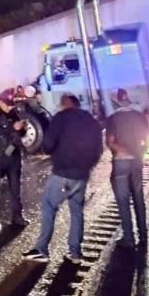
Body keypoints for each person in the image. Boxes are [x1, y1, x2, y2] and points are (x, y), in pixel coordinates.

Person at [24, 94, 103, 264]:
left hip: (62, 174)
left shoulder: (61, 118)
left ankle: (41, 249)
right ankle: (75, 252)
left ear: (65, 105)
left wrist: (53, 152)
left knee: (49, 207)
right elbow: (98, 150)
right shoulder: (91, 121)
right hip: (81, 175)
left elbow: (48, 145)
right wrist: (87, 166)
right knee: (77, 212)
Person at [106, 89, 149, 249]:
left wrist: (122, 151)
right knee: (138, 197)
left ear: (117, 101)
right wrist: (138, 153)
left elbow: (110, 142)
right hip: (137, 161)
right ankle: (144, 235)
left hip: (121, 162)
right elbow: (148, 140)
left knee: (123, 200)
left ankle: (129, 238)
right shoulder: (140, 117)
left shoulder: (113, 118)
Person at [0, 89, 28, 230]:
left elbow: (19, 132)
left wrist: (22, 129)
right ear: (0, 101)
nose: (11, 107)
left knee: (15, 187)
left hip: (14, 154)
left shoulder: (13, 113)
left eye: (12, 105)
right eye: (8, 104)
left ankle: (17, 216)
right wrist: (12, 128)